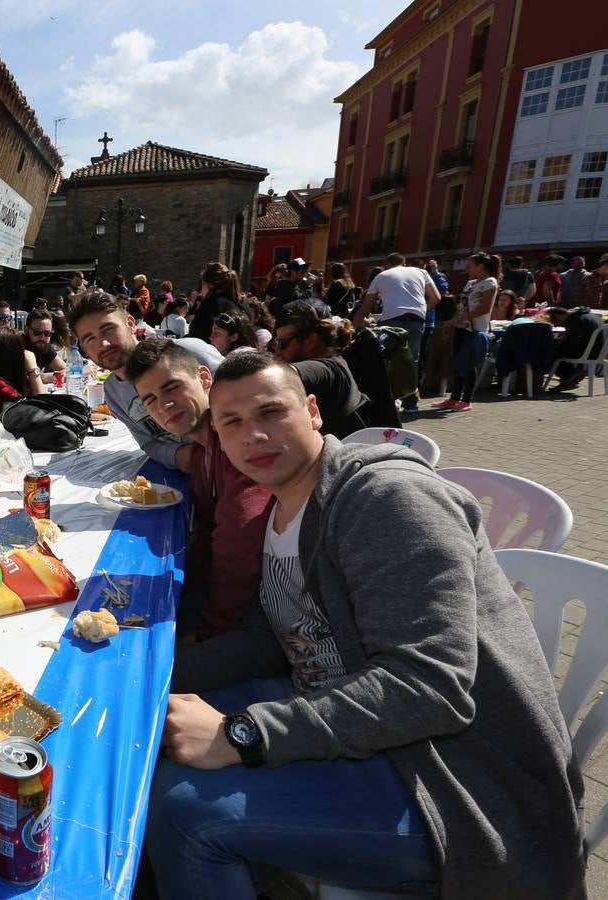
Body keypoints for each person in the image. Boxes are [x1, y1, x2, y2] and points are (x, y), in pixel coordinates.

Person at [149, 351, 584, 900]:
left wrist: (245, 734)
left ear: (313, 411)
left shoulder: (387, 500)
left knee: (185, 811)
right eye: (232, 422)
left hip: (455, 779)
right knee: (159, 724)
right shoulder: (282, 507)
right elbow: (269, 638)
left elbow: (431, 689)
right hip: (356, 716)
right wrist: (149, 670)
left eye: (271, 412)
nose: (253, 436)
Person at [125, 339, 271, 640]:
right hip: (228, 597)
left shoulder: (236, 445)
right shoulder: (201, 452)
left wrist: (205, 632)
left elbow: (238, 551)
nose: (164, 405)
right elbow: (207, 535)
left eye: (172, 387)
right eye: (150, 399)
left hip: (264, 613)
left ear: (204, 378)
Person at [68, 292, 223, 472]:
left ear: (130, 324)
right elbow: (148, 444)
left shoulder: (186, 352)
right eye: (90, 338)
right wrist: (179, 456)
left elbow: (249, 398)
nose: (103, 344)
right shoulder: (112, 391)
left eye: (108, 329)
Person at [352, 253, 438, 412]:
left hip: (391, 321)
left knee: (387, 360)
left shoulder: (382, 276)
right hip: (416, 320)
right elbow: (436, 297)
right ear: (404, 263)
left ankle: (388, 400)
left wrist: (357, 324)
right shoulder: (421, 272)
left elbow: (365, 308)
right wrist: (420, 311)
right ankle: (411, 404)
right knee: (412, 361)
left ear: (386, 263)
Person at [271, 304, 371, 439]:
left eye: (282, 343)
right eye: (275, 343)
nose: (277, 351)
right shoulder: (337, 364)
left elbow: (275, 375)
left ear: (311, 340)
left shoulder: (326, 370)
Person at [437, 251, 499, 411]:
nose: (467, 269)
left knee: (469, 364)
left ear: (481, 266)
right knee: (458, 363)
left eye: (470, 266)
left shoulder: (490, 283)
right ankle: (454, 398)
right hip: (461, 328)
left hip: (475, 330)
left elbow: (484, 308)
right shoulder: (470, 283)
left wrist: (456, 320)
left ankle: (467, 400)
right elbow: (461, 306)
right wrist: (452, 323)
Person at [189, 262, 243, 341]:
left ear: (209, 284)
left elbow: (195, 336)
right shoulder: (233, 301)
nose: (200, 290)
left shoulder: (211, 302)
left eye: (201, 284)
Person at [23, 308, 66, 374]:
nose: (42, 338)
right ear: (26, 330)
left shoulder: (44, 346)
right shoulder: (17, 348)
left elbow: (66, 370)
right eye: (37, 332)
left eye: (47, 333)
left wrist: (44, 377)